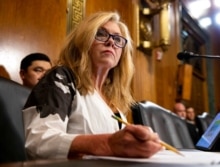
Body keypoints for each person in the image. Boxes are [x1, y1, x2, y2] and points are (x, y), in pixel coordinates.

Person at [22, 12, 162, 160]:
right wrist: (108, 144)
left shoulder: (114, 101)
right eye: (101, 34)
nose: (111, 42)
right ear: (83, 40)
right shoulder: (62, 78)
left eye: (118, 39)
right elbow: (38, 141)